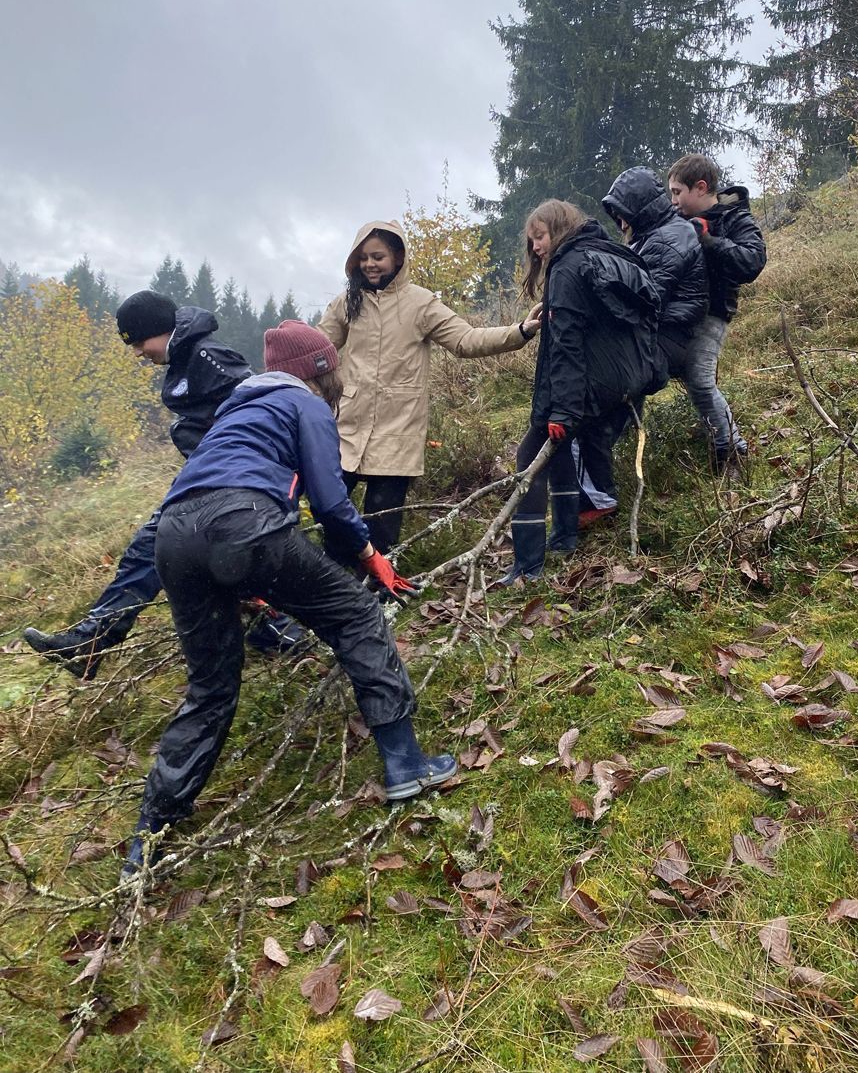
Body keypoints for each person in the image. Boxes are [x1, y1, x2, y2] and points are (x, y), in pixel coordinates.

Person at [123, 320, 455, 876]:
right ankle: (406, 764)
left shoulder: (232, 413)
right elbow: (330, 502)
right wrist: (368, 553)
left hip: (174, 539)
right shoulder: (305, 403)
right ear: (319, 371)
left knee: (210, 688)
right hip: (243, 523)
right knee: (356, 614)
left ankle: (147, 839)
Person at [23, 291, 303, 678]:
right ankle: (90, 643)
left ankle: (287, 634)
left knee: (185, 551)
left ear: (162, 329)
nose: (138, 352)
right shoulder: (184, 358)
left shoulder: (209, 357)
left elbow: (256, 411)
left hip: (234, 482)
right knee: (152, 550)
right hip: (210, 477)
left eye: (140, 341)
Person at [318, 221, 541, 553]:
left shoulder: (421, 303)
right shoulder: (346, 303)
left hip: (398, 428)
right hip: (348, 425)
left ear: (397, 257)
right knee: (331, 513)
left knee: (382, 526)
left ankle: (378, 580)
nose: (369, 264)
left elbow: (465, 339)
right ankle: (331, 576)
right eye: (363, 257)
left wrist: (520, 331)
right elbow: (318, 349)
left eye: (377, 256)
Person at [500, 200, 658, 584]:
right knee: (560, 450)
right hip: (621, 381)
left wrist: (563, 411)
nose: (536, 246)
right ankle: (564, 537)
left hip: (586, 385)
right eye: (531, 240)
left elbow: (566, 346)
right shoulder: (603, 253)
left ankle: (527, 566)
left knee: (530, 456)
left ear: (558, 229)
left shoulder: (567, 268)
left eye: (540, 236)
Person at [574, 166, 709, 521]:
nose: (619, 222)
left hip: (669, 338)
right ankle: (594, 494)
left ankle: (595, 497)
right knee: (609, 395)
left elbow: (643, 298)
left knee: (604, 391)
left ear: (640, 208)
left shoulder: (668, 239)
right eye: (614, 214)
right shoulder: (650, 235)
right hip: (657, 334)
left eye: (623, 213)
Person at [667, 153, 767, 470]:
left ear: (700, 187)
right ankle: (715, 436)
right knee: (690, 379)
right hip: (678, 315)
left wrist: (709, 241)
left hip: (712, 314)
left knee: (700, 380)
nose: (673, 201)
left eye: (677, 192)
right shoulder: (676, 221)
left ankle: (732, 452)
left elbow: (753, 261)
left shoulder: (734, 218)